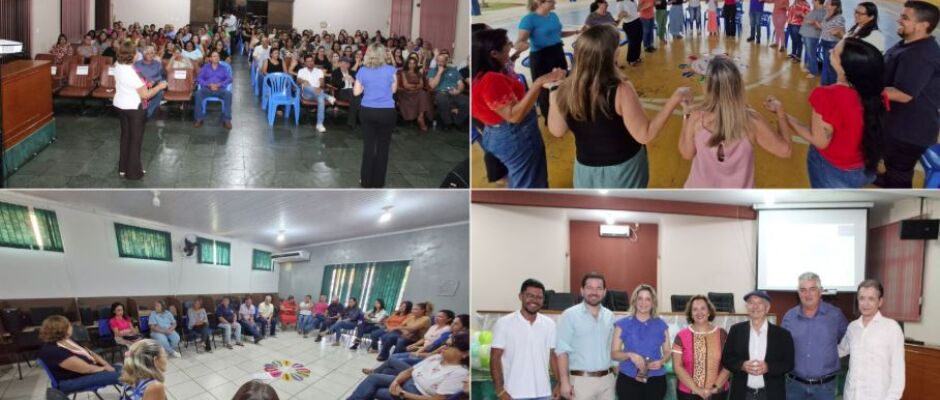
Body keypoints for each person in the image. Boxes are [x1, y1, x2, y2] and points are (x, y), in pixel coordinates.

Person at [548, 24, 691, 188]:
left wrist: (554, 89)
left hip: (586, 172)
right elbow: (645, 134)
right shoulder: (620, 90)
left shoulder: (567, 88)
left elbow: (556, 130)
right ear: (612, 53)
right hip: (623, 171)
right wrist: (676, 98)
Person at [764, 38, 885, 188]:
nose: (829, 51)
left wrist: (781, 113)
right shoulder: (878, 95)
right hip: (864, 169)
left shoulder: (828, 96)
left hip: (833, 171)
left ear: (844, 67)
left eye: (834, 52)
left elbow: (820, 141)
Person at [472, 28, 565, 188]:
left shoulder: (483, 72)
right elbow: (513, 116)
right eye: (507, 44)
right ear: (494, 53)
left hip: (500, 133)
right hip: (515, 135)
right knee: (530, 183)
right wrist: (539, 83)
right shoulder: (491, 80)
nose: (510, 45)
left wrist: (514, 55)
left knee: (521, 177)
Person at [680, 57, 792, 188]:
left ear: (708, 87)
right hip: (737, 201)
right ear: (738, 86)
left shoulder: (696, 117)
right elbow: (786, 151)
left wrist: (686, 113)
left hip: (700, 197)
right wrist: (780, 112)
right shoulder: (752, 120)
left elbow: (686, 153)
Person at [880, 0, 940, 188]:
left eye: (905, 18)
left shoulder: (921, 55)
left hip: (909, 131)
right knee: (893, 164)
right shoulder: (909, 44)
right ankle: (890, 177)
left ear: (923, 25)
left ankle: (895, 189)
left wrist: (862, 88)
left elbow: (903, 94)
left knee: (900, 174)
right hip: (898, 124)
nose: (899, 20)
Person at [780, 273, 848, 400]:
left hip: (825, 388)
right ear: (798, 293)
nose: (808, 294)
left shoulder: (835, 315)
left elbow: (848, 340)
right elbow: (782, 348)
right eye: (803, 290)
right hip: (794, 386)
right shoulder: (789, 317)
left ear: (820, 291)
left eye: (812, 289)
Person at [349, 333, 470, 400]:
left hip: (417, 393)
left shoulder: (459, 373)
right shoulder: (436, 358)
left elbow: (437, 399)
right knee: (373, 378)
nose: (443, 348)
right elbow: (409, 371)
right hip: (409, 381)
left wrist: (402, 394)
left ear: (465, 353)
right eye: (445, 344)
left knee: (375, 391)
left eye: (450, 346)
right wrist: (395, 381)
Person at [838, 279, 905, 399]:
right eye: (862, 298)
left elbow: (898, 371)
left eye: (871, 299)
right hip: (851, 395)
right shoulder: (852, 327)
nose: (865, 303)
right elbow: (841, 350)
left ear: (880, 302)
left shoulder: (892, 328)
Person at [722, 290, 795, 400]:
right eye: (751, 303)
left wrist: (769, 367)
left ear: (767, 308)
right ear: (747, 307)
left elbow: (789, 363)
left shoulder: (782, 334)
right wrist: (742, 365)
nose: (755, 307)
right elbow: (726, 359)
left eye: (760, 303)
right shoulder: (736, 330)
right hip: (742, 393)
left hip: (771, 394)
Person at [491, 279, 557, 400]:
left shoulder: (549, 324)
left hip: (544, 393)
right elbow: (495, 357)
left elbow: (553, 356)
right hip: (513, 394)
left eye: (539, 297)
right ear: (520, 296)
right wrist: (500, 390)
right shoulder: (504, 323)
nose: (534, 300)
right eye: (530, 296)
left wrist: (559, 383)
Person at [513, 0, 579, 117]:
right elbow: (520, 41)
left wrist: (575, 31)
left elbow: (557, 33)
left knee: (562, 82)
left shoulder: (553, 16)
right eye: (551, 0)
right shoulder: (529, 19)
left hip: (557, 52)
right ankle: (549, 117)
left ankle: (565, 112)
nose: (555, 2)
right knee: (545, 89)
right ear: (539, 2)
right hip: (541, 57)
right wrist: (522, 45)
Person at [555, 273, 615, 400]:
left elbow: (612, 348)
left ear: (604, 292)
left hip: (608, 381)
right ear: (582, 291)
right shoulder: (569, 315)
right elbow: (562, 351)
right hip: (580, 382)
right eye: (589, 287)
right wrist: (564, 382)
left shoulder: (610, 316)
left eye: (599, 288)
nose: (594, 292)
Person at [114, 40, 166, 181]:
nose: (138, 53)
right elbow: (145, 95)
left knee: (126, 136)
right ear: (131, 55)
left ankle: (123, 168)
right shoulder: (131, 73)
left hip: (120, 105)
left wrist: (145, 83)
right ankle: (134, 173)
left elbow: (135, 84)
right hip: (134, 108)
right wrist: (159, 87)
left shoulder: (118, 65)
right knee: (135, 140)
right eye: (136, 51)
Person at [612, 284, 670, 400]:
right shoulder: (622, 324)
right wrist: (629, 354)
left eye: (648, 299)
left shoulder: (661, 325)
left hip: (656, 380)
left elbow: (668, 351)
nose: (644, 303)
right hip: (628, 379)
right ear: (634, 301)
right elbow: (614, 354)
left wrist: (661, 361)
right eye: (640, 298)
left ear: (653, 303)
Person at [38, 315, 122, 394]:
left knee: (124, 369)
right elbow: (85, 369)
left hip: (87, 371)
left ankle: (131, 391)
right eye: (69, 325)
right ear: (61, 329)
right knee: (120, 376)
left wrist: (105, 364)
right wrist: (104, 368)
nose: (71, 326)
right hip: (71, 381)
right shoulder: (52, 350)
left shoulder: (66, 339)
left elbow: (90, 353)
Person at [354, 43, 398, 188]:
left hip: (368, 111)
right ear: (383, 54)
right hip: (387, 111)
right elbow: (393, 90)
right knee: (383, 147)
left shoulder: (362, 71)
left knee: (368, 146)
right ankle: (379, 182)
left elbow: (356, 92)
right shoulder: (391, 70)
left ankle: (366, 181)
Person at [672, 295, 731, 400]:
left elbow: (729, 364)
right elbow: (677, 366)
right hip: (688, 394)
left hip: (717, 393)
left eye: (703, 308)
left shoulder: (722, 334)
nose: (699, 312)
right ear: (691, 313)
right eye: (695, 309)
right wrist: (697, 389)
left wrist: (714, 388)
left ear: (709, 311)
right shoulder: (681, 336)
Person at [428, 50, 469, 131]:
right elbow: (432, 86)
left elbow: (461, 84)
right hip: (441, 92)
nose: (439, 63)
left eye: (442, 61)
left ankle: (458, 122)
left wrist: (458, 91)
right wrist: (439, 73)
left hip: (455, 92)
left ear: (446, 61)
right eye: (438, 61)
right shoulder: (433, 71)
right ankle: (447, 123)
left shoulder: (453, 70)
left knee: (467, 102)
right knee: (442, 100)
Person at [194, 50, 233, 129]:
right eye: (214, 56)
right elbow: (199, 78)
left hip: (220, 89)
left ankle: (227, 120)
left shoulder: (223, 68)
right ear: (210, 59)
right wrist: (208, 85)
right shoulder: (205, 67)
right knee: (198, 94)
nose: (216, 58)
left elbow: (229, 79)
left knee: (228, 94)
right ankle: (199, 119)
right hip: (207, 88)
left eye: (217, 56)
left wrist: (219, 84)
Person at [297, 55, 337, 133]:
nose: (310, 63)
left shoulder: (319, 71)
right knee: (307, 86)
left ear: (313, 61)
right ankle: (328, 96)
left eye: (311, 61)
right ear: (305, 63)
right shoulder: (301, 71)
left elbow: (322, 83)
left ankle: (319, 124)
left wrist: (320, 87)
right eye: (308, 61)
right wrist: (303, 81)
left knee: (321, 99)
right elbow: (298, 81)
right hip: (306, 94)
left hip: (318, 93)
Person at [397, 56, 431, 131]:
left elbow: (421, 85)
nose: (412, 65)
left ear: (416, 65)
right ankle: (419, 117)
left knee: (423, 93)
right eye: (410, 63)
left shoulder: (418, 73)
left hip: (417, 92)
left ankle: (421, 117)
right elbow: (406, 85)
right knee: (421, 93)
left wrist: (413, 87)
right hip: (406, 93)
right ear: (407, 64)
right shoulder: (403, 72)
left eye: (413, 63)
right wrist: (415, 86)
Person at [133, 46, 166, 119]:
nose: (150, 55)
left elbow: (162, 76)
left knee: (160, 93)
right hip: (140, 85)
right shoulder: (137, 64)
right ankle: (140, 112)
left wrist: (154, 81)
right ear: (143, 54)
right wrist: (144, 82)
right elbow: (134, 76)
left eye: (152, 53)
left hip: (154, 84)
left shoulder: (157, 64)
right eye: (148, 53)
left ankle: (147, 113)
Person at [819, 0, 845, 86]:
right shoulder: (827, 15)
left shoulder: (839, 17)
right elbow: (824, 27)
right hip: (825, 42)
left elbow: (842, 33)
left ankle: (830, 87)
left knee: (831, 68)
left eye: (827, 3)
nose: (825, 4)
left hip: (832, 44)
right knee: (826, 66)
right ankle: (825, 86)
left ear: (834, 6)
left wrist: (837, 32)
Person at [332, 57, 362, 129]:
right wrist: (343, 79)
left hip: (352, 91)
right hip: (341, 92)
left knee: (355, 100)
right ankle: (360, 121)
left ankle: (351, 123)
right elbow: (334, 84)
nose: (345, 65)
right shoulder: (336, 72)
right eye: (343, 63)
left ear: (349, 65)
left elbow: (358, 84)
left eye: (347, 64)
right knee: (357, 99)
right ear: (340, 64)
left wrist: (353, 81)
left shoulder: (352, 72)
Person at [800, 0, 826, 77]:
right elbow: (809, 20)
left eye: (813, 1)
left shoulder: (823, 11)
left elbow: (821, 25)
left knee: (811, 53)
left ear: (818, 1)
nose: (812, 2)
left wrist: (812, 22)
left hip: (812, 35)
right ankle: (810, 67)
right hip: (806, 33)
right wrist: (804, 16)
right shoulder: (814, 9)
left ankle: (813, 71)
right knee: (808, 52)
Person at [617, 0, 644, 65]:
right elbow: (619, 15)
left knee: (639, 40)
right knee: (632, 42)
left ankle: (636, 57)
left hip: (637, 21)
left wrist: (640, 5)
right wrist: (623, 14)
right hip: (629, 24)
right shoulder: (621, 3)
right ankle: (631, 59)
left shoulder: (633, 1)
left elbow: (637, 10)